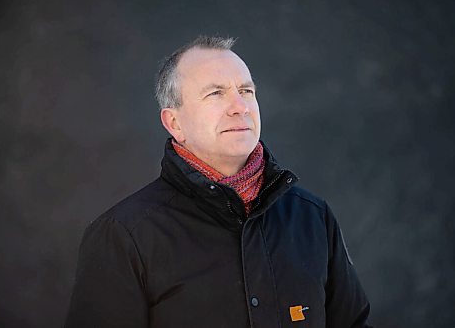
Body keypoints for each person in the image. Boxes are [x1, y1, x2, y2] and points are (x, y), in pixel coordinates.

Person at [65, 36, 372, 328]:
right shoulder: (124, 235)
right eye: (216, 93)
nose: (240, 106)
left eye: (246, 91)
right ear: (174, 122)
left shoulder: (313, 218)